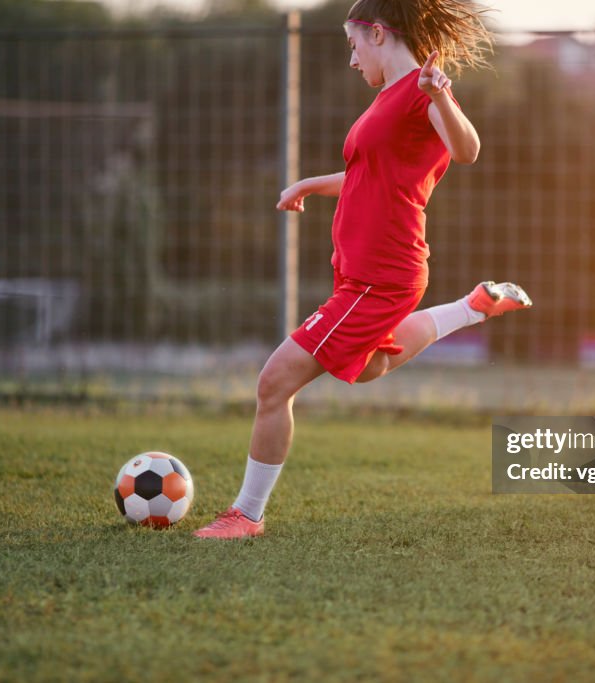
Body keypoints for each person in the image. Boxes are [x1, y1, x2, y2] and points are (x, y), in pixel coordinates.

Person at [195, 0, 531, 539]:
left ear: (377, 33)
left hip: (381, 274)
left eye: (353, 46)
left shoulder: (422, 94)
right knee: (371, 366)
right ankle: (472, 307)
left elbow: (467, 150)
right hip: (362, 271)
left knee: (274, 383)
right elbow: (366, 174)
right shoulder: (386, 100)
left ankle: (246, 515)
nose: (352, 60)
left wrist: (440, 95)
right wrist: (309, 184)